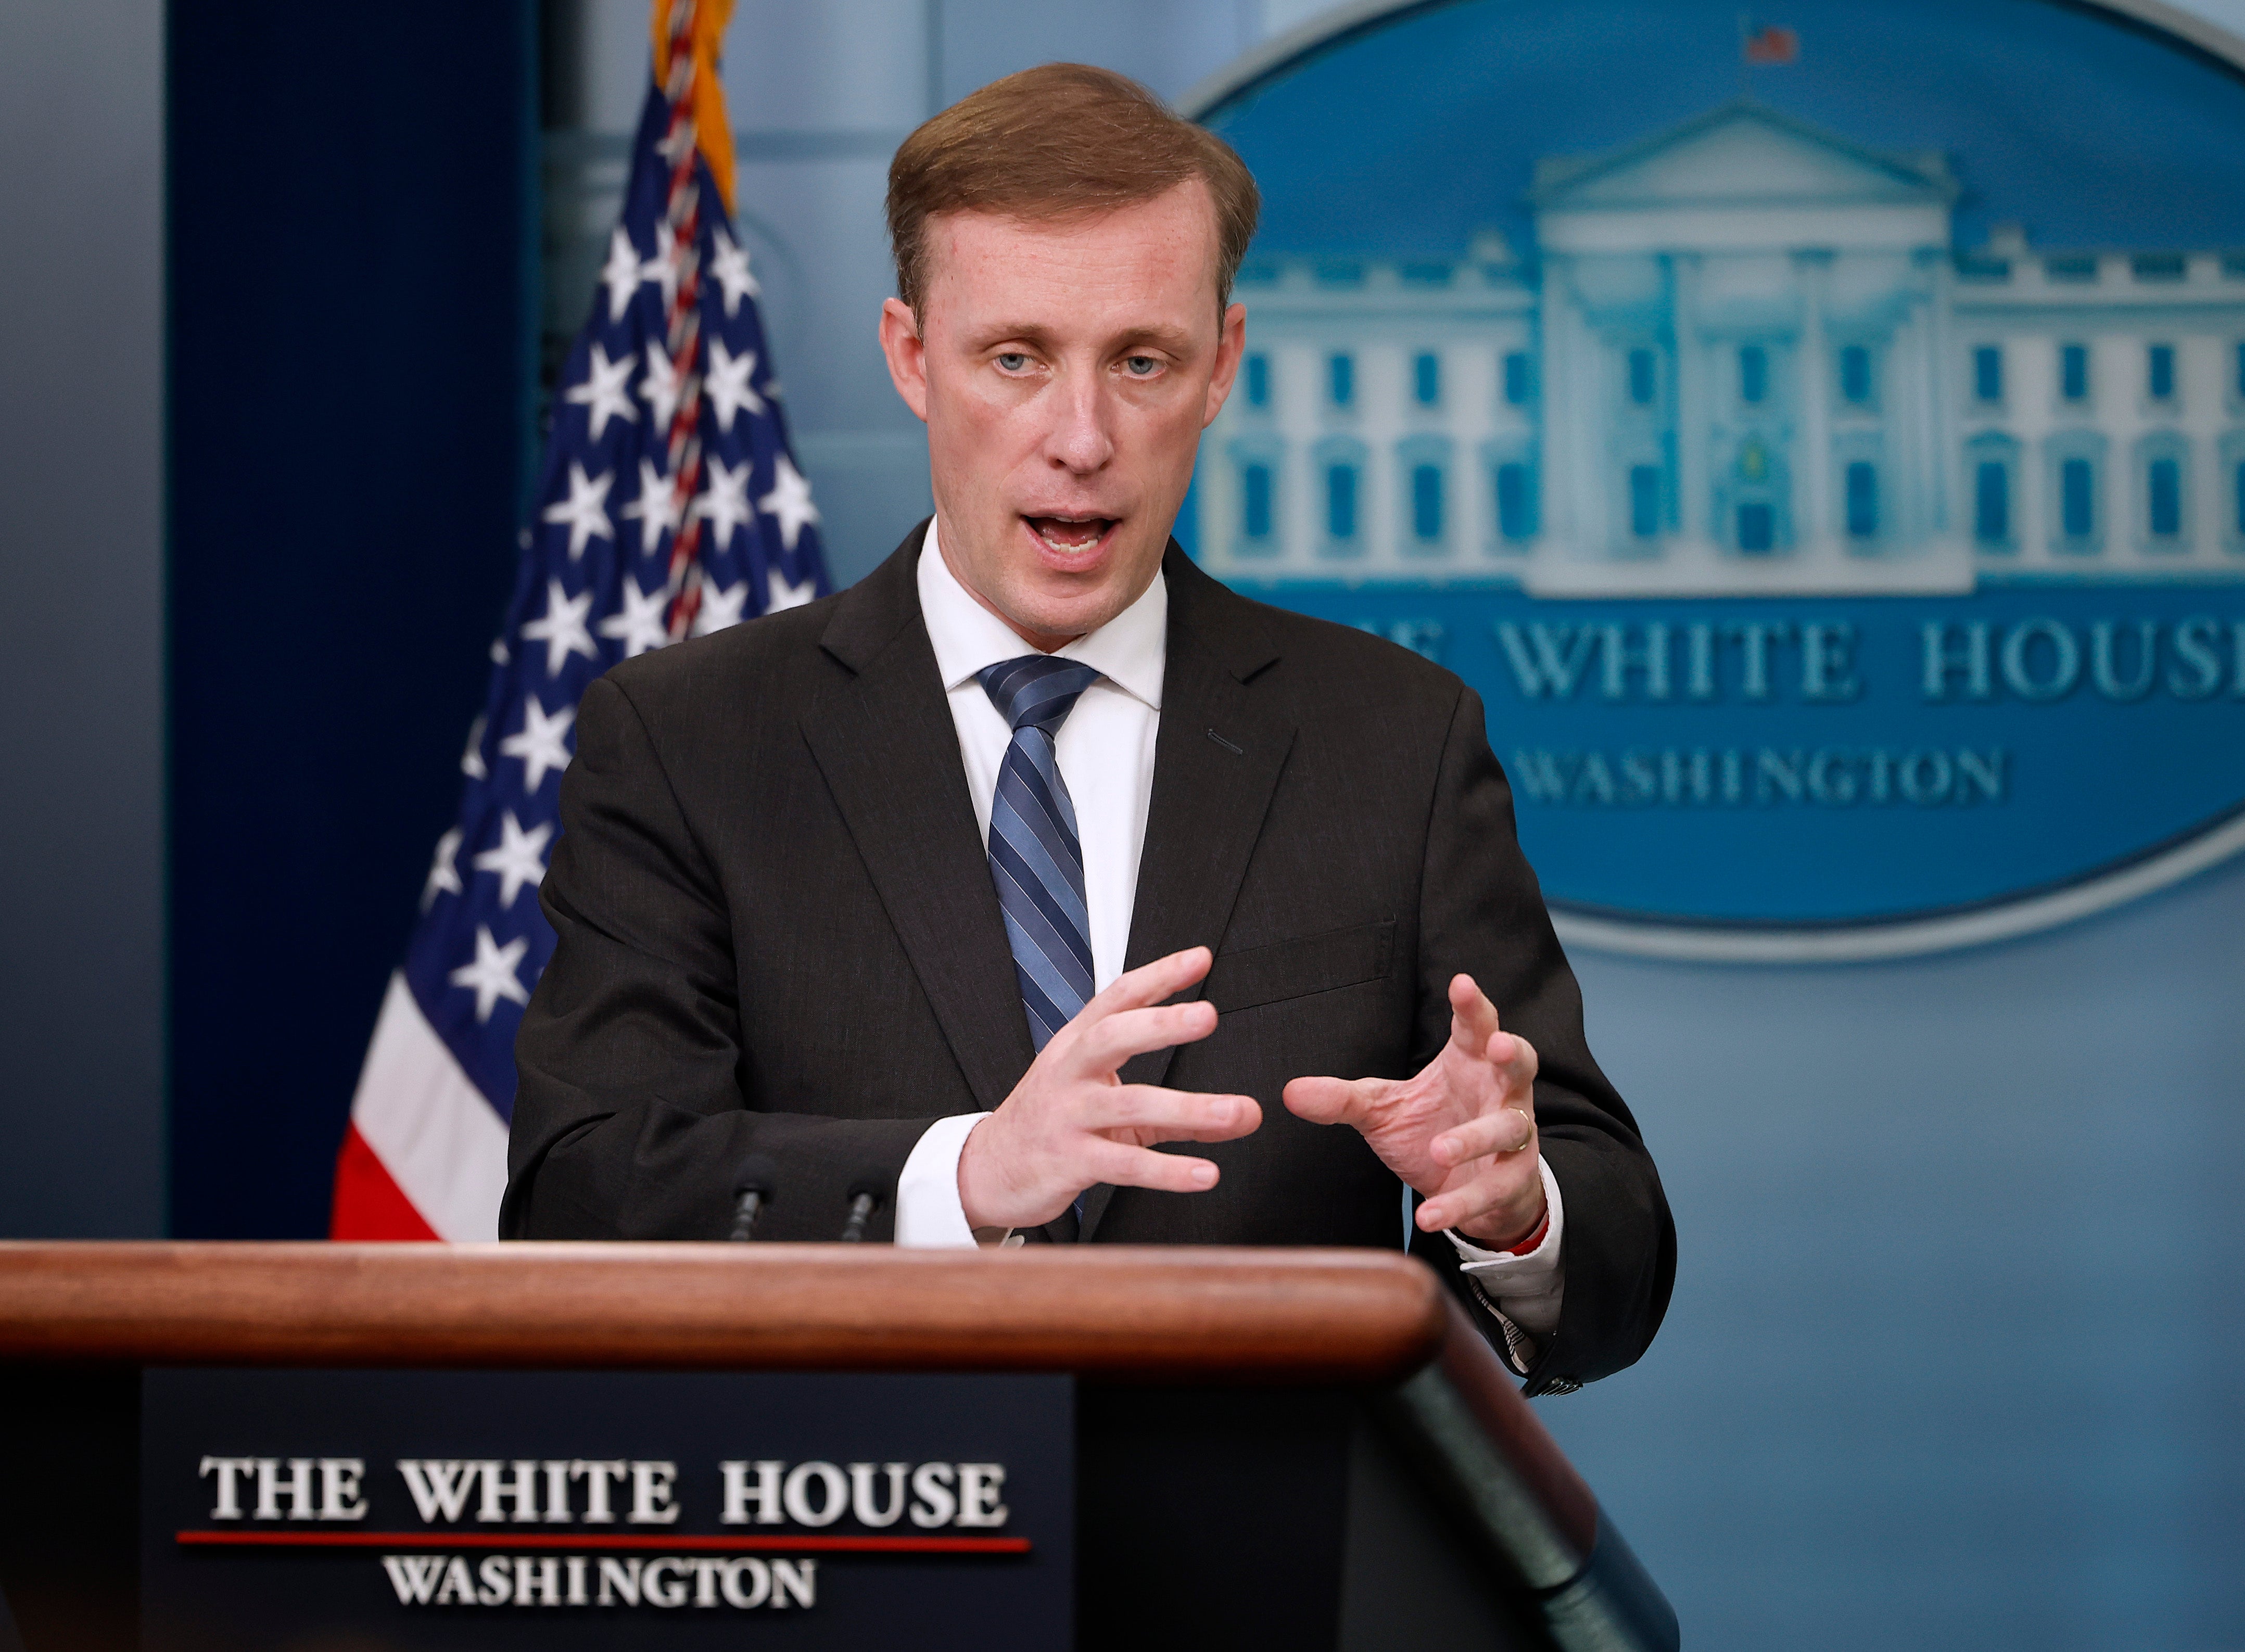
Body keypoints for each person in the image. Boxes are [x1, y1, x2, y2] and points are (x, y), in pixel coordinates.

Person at [505, 62, 1673, 1394]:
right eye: (1015, 359)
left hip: (1259, 1573)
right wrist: (962, 1178)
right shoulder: (690, 742)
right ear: (909, 359)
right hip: (860, 1564)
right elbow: (581, 1197)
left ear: (1220, 365)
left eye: (1140, 361)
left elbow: (1611, 1260)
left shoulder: (1392, 742)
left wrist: (1517, 1209)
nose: (1081, 437)